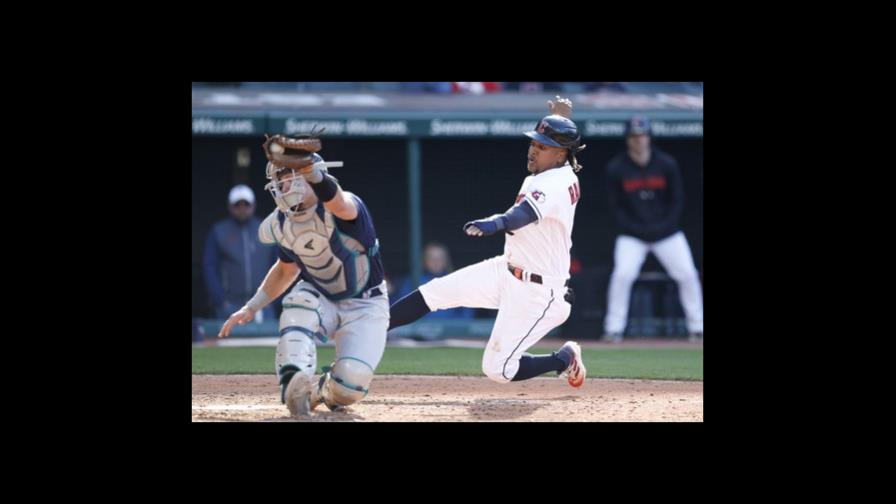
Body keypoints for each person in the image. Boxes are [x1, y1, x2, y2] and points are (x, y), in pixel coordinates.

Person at [388, 96, 587, 388]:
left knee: (498, 369)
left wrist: (495, 223)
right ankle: (373, 328)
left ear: (560, 155)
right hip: (506, 270)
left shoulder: (555, 183)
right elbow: (559, 148)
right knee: (435, 292)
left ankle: (563, 358)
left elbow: (521, 216)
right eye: (533, 143)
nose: (533, 150)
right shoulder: (553, 169)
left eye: (542, 147)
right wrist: (557, 117)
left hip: (539, 293)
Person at [218, 131, 389, 417]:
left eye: (292, 176)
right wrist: (252, 306)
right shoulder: (281, 224)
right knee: (300, 303)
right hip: (320, 295)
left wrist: (311, 174)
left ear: (313, 175)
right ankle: (294, 382)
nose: (284, 186)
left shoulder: (347, 204)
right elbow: (286, 270)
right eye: (280, 180)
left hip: (366, 303)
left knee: (351, 385)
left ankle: (319, 391)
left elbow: (339, 204)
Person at [603, 116, 703, 343]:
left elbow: (677, 201)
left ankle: (697, 328)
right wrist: (638, 229)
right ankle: (613, 329)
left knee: (687, 274)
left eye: (642, 136)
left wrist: (662, 227)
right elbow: (615, 208)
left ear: (649, 137)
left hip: (666, 232)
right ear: (628, 139)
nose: (639, 140)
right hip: (633, 235)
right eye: (634, 136)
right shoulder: (616, 168)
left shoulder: (666, 163)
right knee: (622, 275)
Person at [202, 184, 277, 321]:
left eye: (246, 204)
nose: (242, 208)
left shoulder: (266, 229)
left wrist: (273, 299)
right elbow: (210, 267)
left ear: (253, 205)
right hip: (230, 306)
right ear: (230, 207)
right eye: (237, 205)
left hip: (262, 305)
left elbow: (279, 264)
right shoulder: (219, 231)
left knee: (267, 342)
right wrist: (220, 300)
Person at [395, 242, 475, 322]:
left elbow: (467, 311)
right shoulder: (412, 281)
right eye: (432, 258)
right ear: (424, 260)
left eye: (440, 258)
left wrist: (455, 328)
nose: (436, 262)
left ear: (446, 260)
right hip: (419, 332)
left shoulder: (456, 281)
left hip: (451, 332)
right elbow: (403, 310)